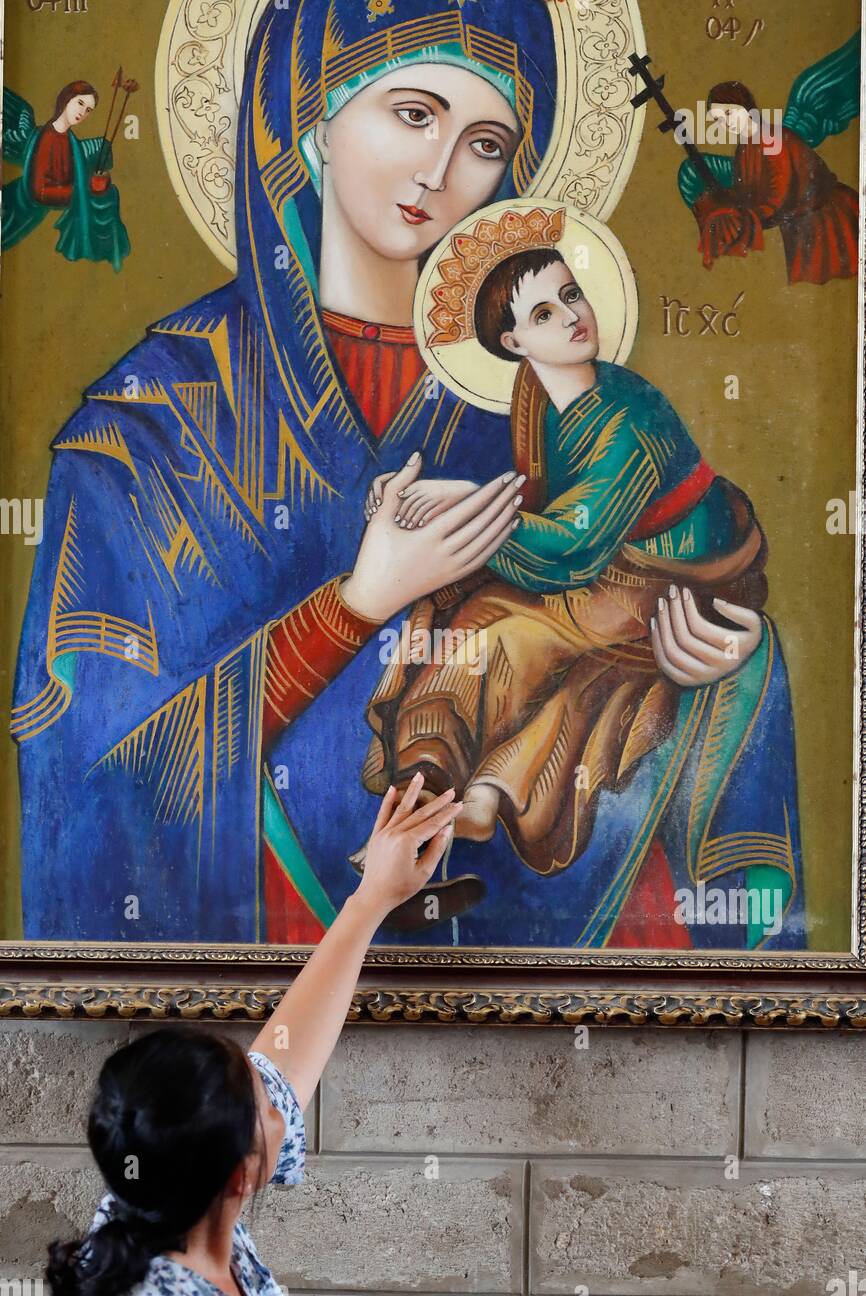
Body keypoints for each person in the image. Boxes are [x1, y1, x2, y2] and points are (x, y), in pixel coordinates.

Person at [12, 0, 768, 954]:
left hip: (522, 1001)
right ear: (315, 113)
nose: (439, 173)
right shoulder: (150, 426)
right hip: (237, 981)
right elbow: (88, 776)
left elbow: (650, 590)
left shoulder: (554, 405)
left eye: (485, 141)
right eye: (413, 114)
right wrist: (357, 605)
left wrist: (709, 667)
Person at [355, 232, 794, 948]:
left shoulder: (630, 419)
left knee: (514, 635)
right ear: (512, 340)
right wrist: (438, 497)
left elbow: (572, 545)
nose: (570, 316)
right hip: (602, 568)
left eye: (571, 295)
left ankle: (485, 793)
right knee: (466, 619)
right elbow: (538, 498)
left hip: (667, 580)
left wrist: (458, 510)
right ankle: (436, 791)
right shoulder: (538, 392)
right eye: (544, 312)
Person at [46, 774, 460, 1296]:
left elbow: (283, 1058)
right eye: (267, 1107)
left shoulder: (157, 1207)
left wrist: (372, 897)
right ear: (241, 1179)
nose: (282, 1103)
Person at [688, 78, 859, 285]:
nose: (725, 123)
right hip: (799, 223)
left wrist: (746, 217)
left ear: (746, 107)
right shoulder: (746, 146)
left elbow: (779, 195)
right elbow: (749, 192)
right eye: (717, 120)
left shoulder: (771, 138)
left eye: (728, 113)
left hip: (827, 218)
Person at [1, 80, 130, 269]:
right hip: (17, 210)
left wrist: (95, 184)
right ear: (66, 99)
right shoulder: (48, 138)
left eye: (88, 110)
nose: (82, 112)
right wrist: (85, 190)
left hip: (31, 214)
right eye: (80, 103)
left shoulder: (70, 141)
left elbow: (72, 175)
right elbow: (40, 192)